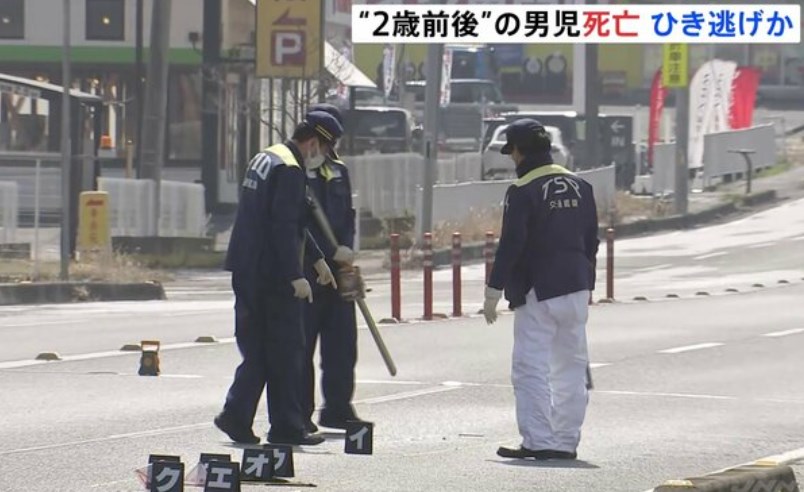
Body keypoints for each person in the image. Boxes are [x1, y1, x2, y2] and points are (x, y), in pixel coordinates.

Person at [215, 111, 344, 447]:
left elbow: (292, 217)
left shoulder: (270, 156)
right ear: (313, 142)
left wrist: (316, 259)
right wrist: (294, 274)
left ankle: (237, 416)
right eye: (324, 150)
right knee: (287, 350)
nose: (323, 159)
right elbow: (283, 226)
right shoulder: (290, 169)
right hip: (272, 274)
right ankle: (286, 427)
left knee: (258, 350)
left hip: (248, 267)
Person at [483, 118, 599, 460]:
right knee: (571, 367)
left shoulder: (523, 191)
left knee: (530, 365)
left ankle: (538, 439)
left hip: (538, 288)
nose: (512, 159)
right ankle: (565, 441)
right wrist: (585, 278)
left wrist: (494, 290)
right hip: (577, 286)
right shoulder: (582, 186)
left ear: (519, 151)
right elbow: (591, 240)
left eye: (512, 152)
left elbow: (512, 244)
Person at [301, 103, 368, 432]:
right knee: (302, 346)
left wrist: (348, 253)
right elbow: (297, 224)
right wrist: (327, 251)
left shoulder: (338, 171)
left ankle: (338, 407)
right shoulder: (292, 170)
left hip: (340, 269)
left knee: (343, 344)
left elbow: (348, 217)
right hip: (308, 270)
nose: (327, 151)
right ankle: (300, 412)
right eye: (324, 143)